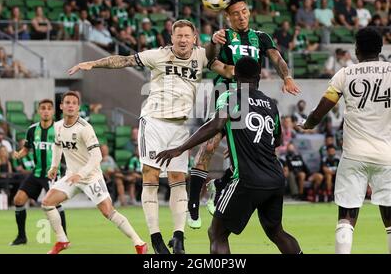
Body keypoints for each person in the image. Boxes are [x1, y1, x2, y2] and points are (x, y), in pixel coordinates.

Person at [67, 19, 235, 254]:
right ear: (172, 38)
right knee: (151, 176)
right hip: (154, 122)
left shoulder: (202, 56)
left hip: (179, 126)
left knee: (178, 178)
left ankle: (178, 237)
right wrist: (93, 64)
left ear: (195, 38)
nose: (183, 40)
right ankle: (156, 239)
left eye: (187, 36)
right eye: (179, 36)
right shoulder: (157, 55)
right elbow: (124, 60)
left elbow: (228, 70)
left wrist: (252, 71)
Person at [156, 56, 302, 254]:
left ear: (236, 76)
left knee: (217, 233)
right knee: (277, 232)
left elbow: (215, 125)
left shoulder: (231, 96)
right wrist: (243, 141)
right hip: (275, 179)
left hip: (247, 179)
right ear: (258, 77)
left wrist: (180, 148)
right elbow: (275, 141)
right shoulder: (271, 105)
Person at [187, 0, 300, 230]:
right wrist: (213, 43)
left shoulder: (261, 37)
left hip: (250, 100)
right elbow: (209, 61)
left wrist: (287, 77)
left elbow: (277, 58)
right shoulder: (224, 35)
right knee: (209, 147)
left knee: (252, 151)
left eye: (244, 11)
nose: (241, 16)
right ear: (227, 17)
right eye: (235, 13)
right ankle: (193, 207)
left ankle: (220, 186)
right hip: (225, 95)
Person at [300, 27, 391, 254]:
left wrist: (308, 124)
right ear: (380, 49)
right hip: (387, 155)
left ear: (356, 49)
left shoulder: (346, 74)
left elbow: (321, 111)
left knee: (346, 218)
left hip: (354, 155)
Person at [41, 91, 147, 254]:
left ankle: (139, 243)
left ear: (78, 108)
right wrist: (54, 166)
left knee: (108, 212)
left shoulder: (85, 128)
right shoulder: (58, 126)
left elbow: (97, 156)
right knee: (47, 203)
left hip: (90, 177)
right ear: (61, 106)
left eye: (74, 103)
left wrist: (81, 174)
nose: (70, 105)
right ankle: (62, 241)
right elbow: (57, 145)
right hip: (71, 177)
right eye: (67, 102)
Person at [10, 99, 67, 246]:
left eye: (49, 108)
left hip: (52, 173)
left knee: (55, 204)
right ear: (38, 111)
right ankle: (21, 237)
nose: (46, 111)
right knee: (18, 200)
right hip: (36, 172)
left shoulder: (60, 129)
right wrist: (19, 154)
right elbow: (27, 148)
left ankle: (64, 238)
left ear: (53, 111)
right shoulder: (32, 130)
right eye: (43, 108)